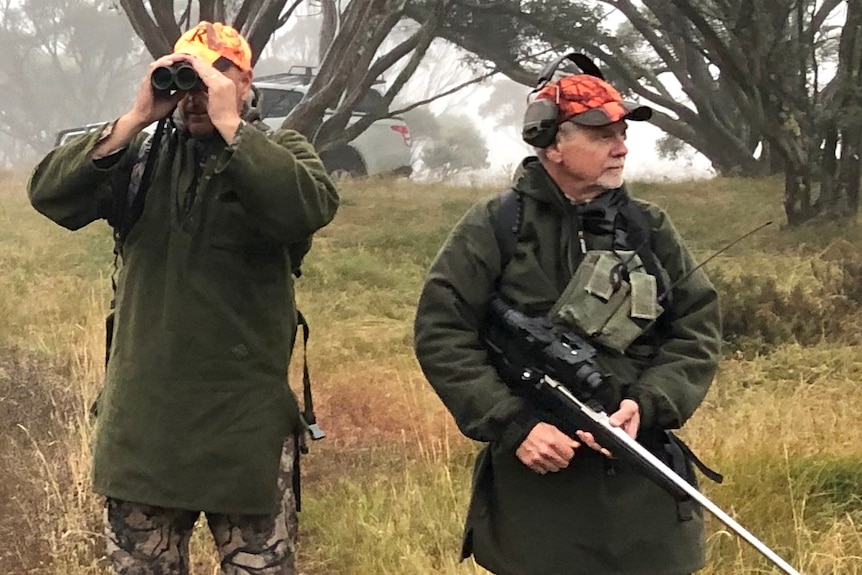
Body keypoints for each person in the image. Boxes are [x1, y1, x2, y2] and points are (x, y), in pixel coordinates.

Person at [28, 21, 338, 575]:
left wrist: (230, 127)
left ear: (247, 84)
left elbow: (306, 209)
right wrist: (134, 118)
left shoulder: (280, 151)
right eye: (187, 77)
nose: (197, 93)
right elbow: (50, 195)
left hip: (244, 429)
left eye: (218, 76)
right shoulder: (141, 157)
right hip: (144, 426)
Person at [413, 66, 721, 575]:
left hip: (641, 483)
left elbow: (697, 328)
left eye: (623, 134)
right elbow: (442, 332)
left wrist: (647, 403)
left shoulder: (651, 227)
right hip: (539, 489)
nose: (621, 147)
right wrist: (514, 423)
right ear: (552, 144)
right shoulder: (494, 227)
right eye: (602, 135)